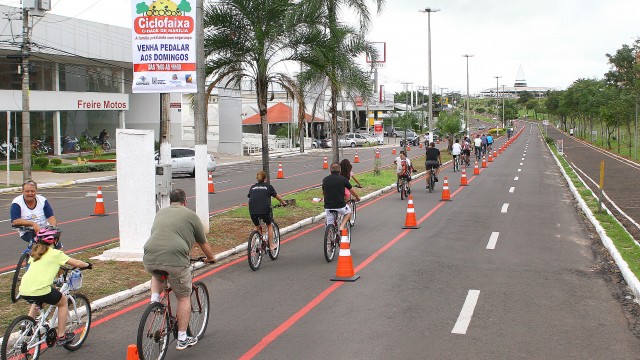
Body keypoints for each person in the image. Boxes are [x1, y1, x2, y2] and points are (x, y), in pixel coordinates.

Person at [143, 189, 216, 351]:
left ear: (170, 201)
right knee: (183, 298)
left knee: (158, 272)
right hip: (175, 259)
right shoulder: (191, 215)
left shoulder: (160, 213)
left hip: (150, 255)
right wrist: (211, 258)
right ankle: (182, 338)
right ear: (185, 201)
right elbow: (203, 242)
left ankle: (154, 302)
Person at [19, 226, 92, 346]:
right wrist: (87, 265)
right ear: (55, 241)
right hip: (41, 289)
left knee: (38, 300)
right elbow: (77, 263)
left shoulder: (35, 253)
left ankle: (27, 325)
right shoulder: (56, 253)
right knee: (63, 301)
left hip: (24, 289)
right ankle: (62, 336)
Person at [247, 171, 286, 252]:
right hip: (264, 210)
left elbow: (251, 196)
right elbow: (277, 196)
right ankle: (271, 245)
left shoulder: (252, 187)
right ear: (265, 179)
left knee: (257, 226)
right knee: (269, 225)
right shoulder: (268, 187)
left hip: (252, 210)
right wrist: (283, 202)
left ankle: (257, 242)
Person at [11, 180, 58, 246]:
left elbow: (51, 217)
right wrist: (33, 224)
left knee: (57, 244)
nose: (30, 193)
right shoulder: (17, 202)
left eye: (32, 191)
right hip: (27, 231)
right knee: (41, 245)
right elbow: (15, 221)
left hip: (44, 230)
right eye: (27, 191)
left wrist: (53, 228)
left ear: (36, 191)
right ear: (22, 192)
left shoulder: (42, 200)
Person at [322, 163, 360, 232]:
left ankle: (330, 235)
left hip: (328, 206)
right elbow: (352, 191)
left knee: (330, 223)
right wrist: (357, 197)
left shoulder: (325, 180)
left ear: (330, 170)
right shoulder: (343, 179)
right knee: (348, 212)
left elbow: (324, 192)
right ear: (340, 171)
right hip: (340, 206)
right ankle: (342, 226)